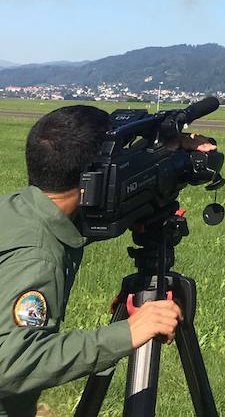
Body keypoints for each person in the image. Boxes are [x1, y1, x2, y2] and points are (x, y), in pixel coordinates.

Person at [0, 106, 210, 417]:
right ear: (92, 180)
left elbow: (78, 226)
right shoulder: (39, 257)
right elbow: (12, 362)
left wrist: (170, 154)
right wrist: (125, 334)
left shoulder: (18, 211)